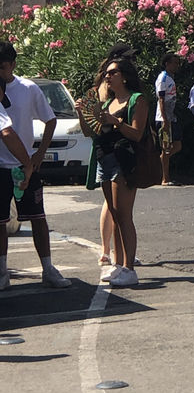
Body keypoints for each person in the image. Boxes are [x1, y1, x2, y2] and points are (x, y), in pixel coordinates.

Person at [0, 41, 71, 290]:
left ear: (13, 65)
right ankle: (2, 272)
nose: (0, 72)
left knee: (38, 218)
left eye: (4, 67)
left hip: (25, 164)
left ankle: (48, 268)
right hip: (1, 167)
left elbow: (49, 120)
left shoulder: (28, 88)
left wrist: (39, 154)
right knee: (0, 221)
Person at [76, 56, 149, 287]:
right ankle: (118, 265)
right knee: (115, 216)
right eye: (107, 73)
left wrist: (116, 122)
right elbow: (91, 133)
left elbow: (137, 133)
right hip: (104, 160)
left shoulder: (137, 100)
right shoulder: (107, 104)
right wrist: (81, 113)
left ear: (124, 76)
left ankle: (130, 268)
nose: (107, 76)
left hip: (124, 161)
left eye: (113, 72)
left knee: (124, 215)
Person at [155, 51, 182, 186]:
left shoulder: (171, 78)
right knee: (165, 148)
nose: (176, 66)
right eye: (174, 63)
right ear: (167, 64)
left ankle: (161, 161)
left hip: (172, 117)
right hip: (163, 118)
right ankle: (165, 178)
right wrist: (165, 119)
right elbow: (161, 99)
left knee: (177, 145)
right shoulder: (163, 78)